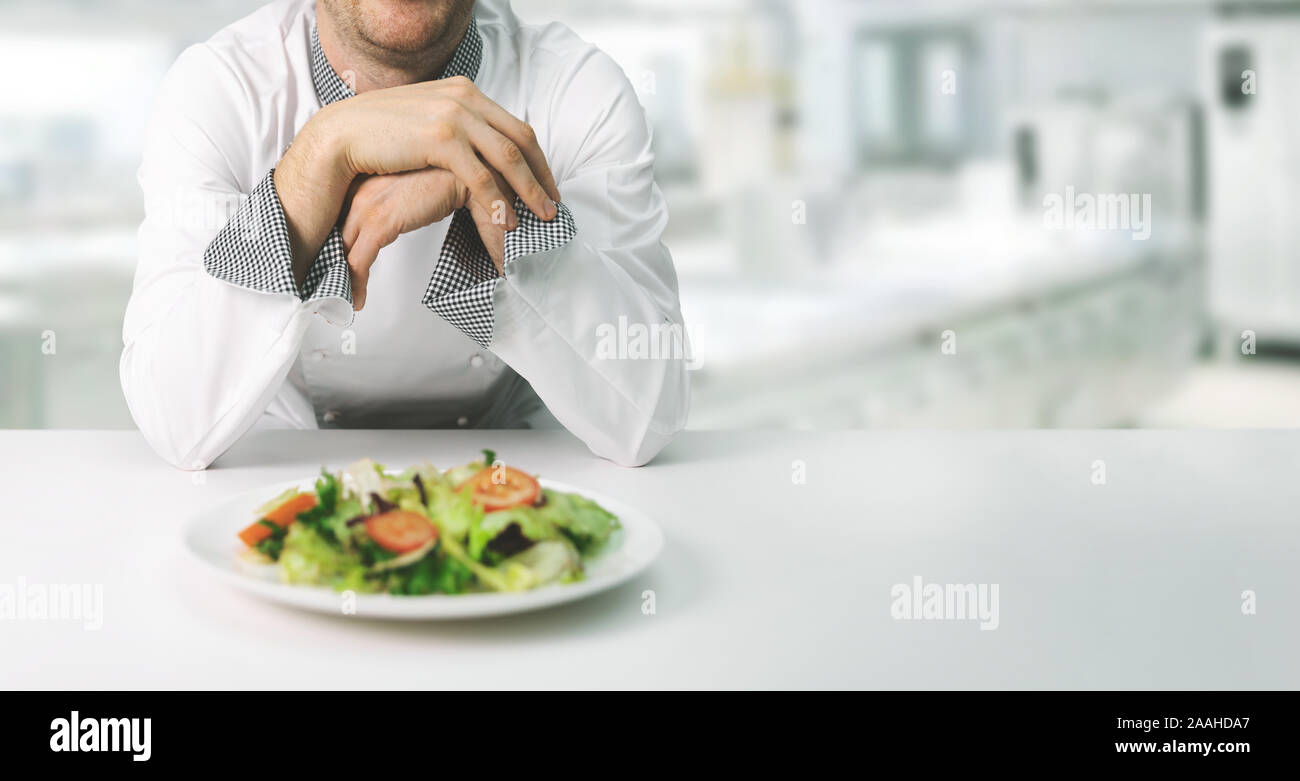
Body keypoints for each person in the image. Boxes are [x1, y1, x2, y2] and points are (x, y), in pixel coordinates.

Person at [121, 0, 690, 470]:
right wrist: (321, 153)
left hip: (518, 470)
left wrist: (493, 193)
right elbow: (178, 423)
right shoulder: (219, 87)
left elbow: (648, 418)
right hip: (283, 467)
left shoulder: (578, 89)